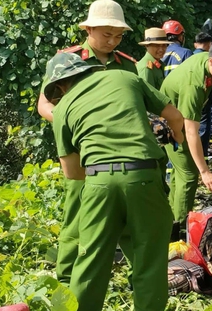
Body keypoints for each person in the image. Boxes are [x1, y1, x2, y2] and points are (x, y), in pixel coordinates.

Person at [44, 51, 184, 311]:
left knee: (91, 258)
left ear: (60, 87)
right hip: (144, 176)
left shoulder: (63, 108)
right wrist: (179, 144)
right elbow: (174, 116)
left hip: (97, 183)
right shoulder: (126, 76)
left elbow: (72, 172)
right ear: (88, 70)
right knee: (149, 257)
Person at [35, 0, 137, 285]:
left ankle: (136, 273)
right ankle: (67, 275)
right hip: (81, 149)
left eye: (118, 36)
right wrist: (68, 121)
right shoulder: (67, 61)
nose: (113, 41)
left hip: (124, 148)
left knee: (129, 214)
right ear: (89, 29)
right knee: (78, 209)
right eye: (107, 34)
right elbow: (44, 103)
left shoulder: (126, 65)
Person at [159, 40, 212, 224]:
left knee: (179, 175)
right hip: (168, 125)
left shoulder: (207, 60)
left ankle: (171, 219)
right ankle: (180, 228)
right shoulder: (194, 84)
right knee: (189, 176)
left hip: (177, 118)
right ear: (211, 61)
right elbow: (190, 132)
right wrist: (205, 171)